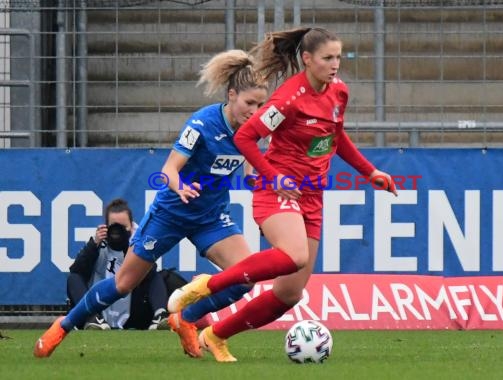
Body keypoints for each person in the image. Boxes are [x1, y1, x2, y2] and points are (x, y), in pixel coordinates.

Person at [167, 27, 398, 362]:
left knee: (290, 292)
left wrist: (370, 172)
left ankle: (215, 335)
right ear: (307, 59)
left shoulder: (339, 92)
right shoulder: (288, 99)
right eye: (327, 58)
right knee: (294, 254)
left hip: (312, 195)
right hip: (276, 187)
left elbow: (335, 139)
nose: (335, 64)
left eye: (338, 57)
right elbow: (246, 137)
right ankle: (204, 286)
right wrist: (273, 177)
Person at [33, 49, 269, 359]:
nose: (255, 111)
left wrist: (269, 187)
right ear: (232, 94)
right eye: (249, 103)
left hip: (210, 217)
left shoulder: (254, 130)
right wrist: (181, 186)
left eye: (261, 105)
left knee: (244, 277)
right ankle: (63, 326)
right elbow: (168, 170)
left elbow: (251, 174)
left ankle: (184, 317)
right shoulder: (202, 124)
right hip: (170, 213)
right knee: (122, 284)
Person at [67, 198, 170, 330]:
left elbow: (150, 272)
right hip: (99, 310)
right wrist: (94, 244)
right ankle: (92, 319)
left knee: (157, 275)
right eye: (114, 227)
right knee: (73, 278)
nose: (118, 232)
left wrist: (132, 245)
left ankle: (159, 316)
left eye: (122, 228)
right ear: (106, 226)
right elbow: (76, 270)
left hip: (133, 311)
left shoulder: (138, 242)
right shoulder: (98, 244)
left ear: (131, 227)